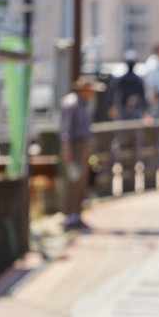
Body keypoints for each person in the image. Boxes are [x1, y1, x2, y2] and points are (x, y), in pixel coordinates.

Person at [59, 76, 105, 231]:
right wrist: (66, 150)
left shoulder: (86, 104)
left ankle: (77, 213)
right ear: (85, 89)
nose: (93, 93)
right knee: (73, 181)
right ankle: (69, 215)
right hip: (74, 145)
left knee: (82, 181)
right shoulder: (71, 103)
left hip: (84, 145)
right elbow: (65, 130)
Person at [107, 50, 149, 121]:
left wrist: (112, 106)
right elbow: (143, 96)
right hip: (128, 109)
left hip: (127, 109)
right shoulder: (138, 80)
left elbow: (113, 93)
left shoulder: (121, 79)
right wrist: (145, 110)